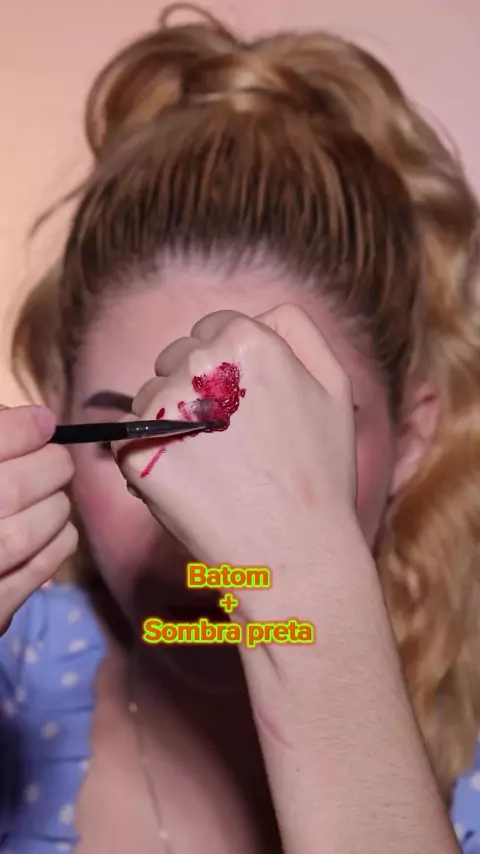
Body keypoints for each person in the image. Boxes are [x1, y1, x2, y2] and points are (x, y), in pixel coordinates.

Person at [0, 4, 479, 852]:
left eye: (280, 435)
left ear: (412, 440)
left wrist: (308, 605)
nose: (196, 516)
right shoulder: (20, 680)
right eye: (122, 437)